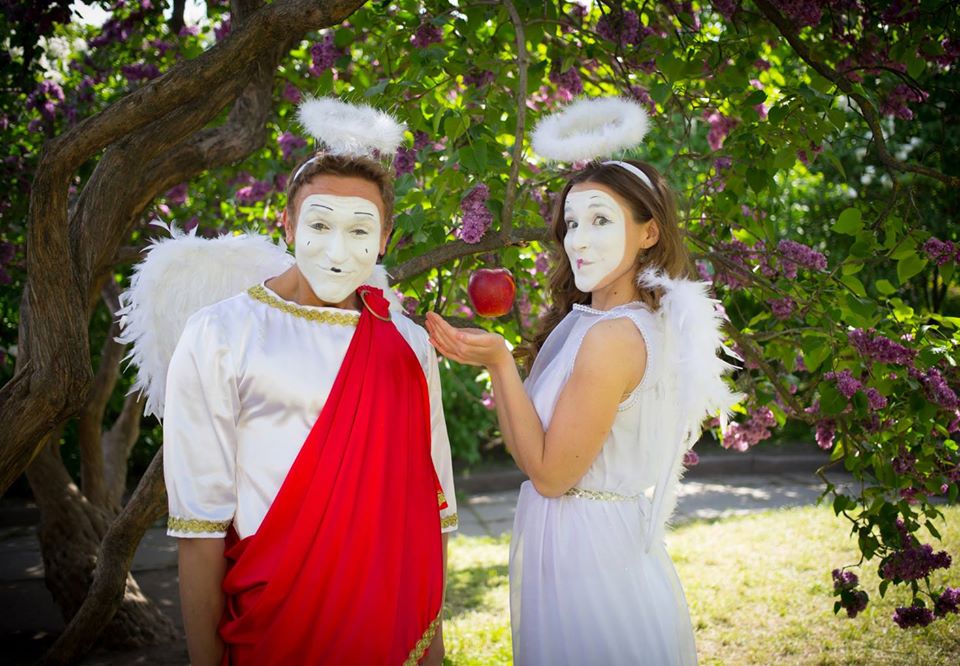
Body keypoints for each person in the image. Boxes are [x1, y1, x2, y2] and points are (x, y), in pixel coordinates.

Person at [134, 100, 458, 665]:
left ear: (385, 238)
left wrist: (431, 652)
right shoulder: (219, 334)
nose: (337, 250)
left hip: (389, 627)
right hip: (274, 627)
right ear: (286, 225)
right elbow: (199, 526)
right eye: (319, 225)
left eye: (359, 230)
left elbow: (432, 515)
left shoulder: (408, 343)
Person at [426, 154, 738, 664]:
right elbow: (531, 451)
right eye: (572, 223)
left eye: (600, 220)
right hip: (579, 539)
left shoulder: (614, 337)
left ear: (649, 233)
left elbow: (550, 476)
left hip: (591, 552)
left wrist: (502, 362)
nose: (579, 239)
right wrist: (496, 366)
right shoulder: (597, 323)